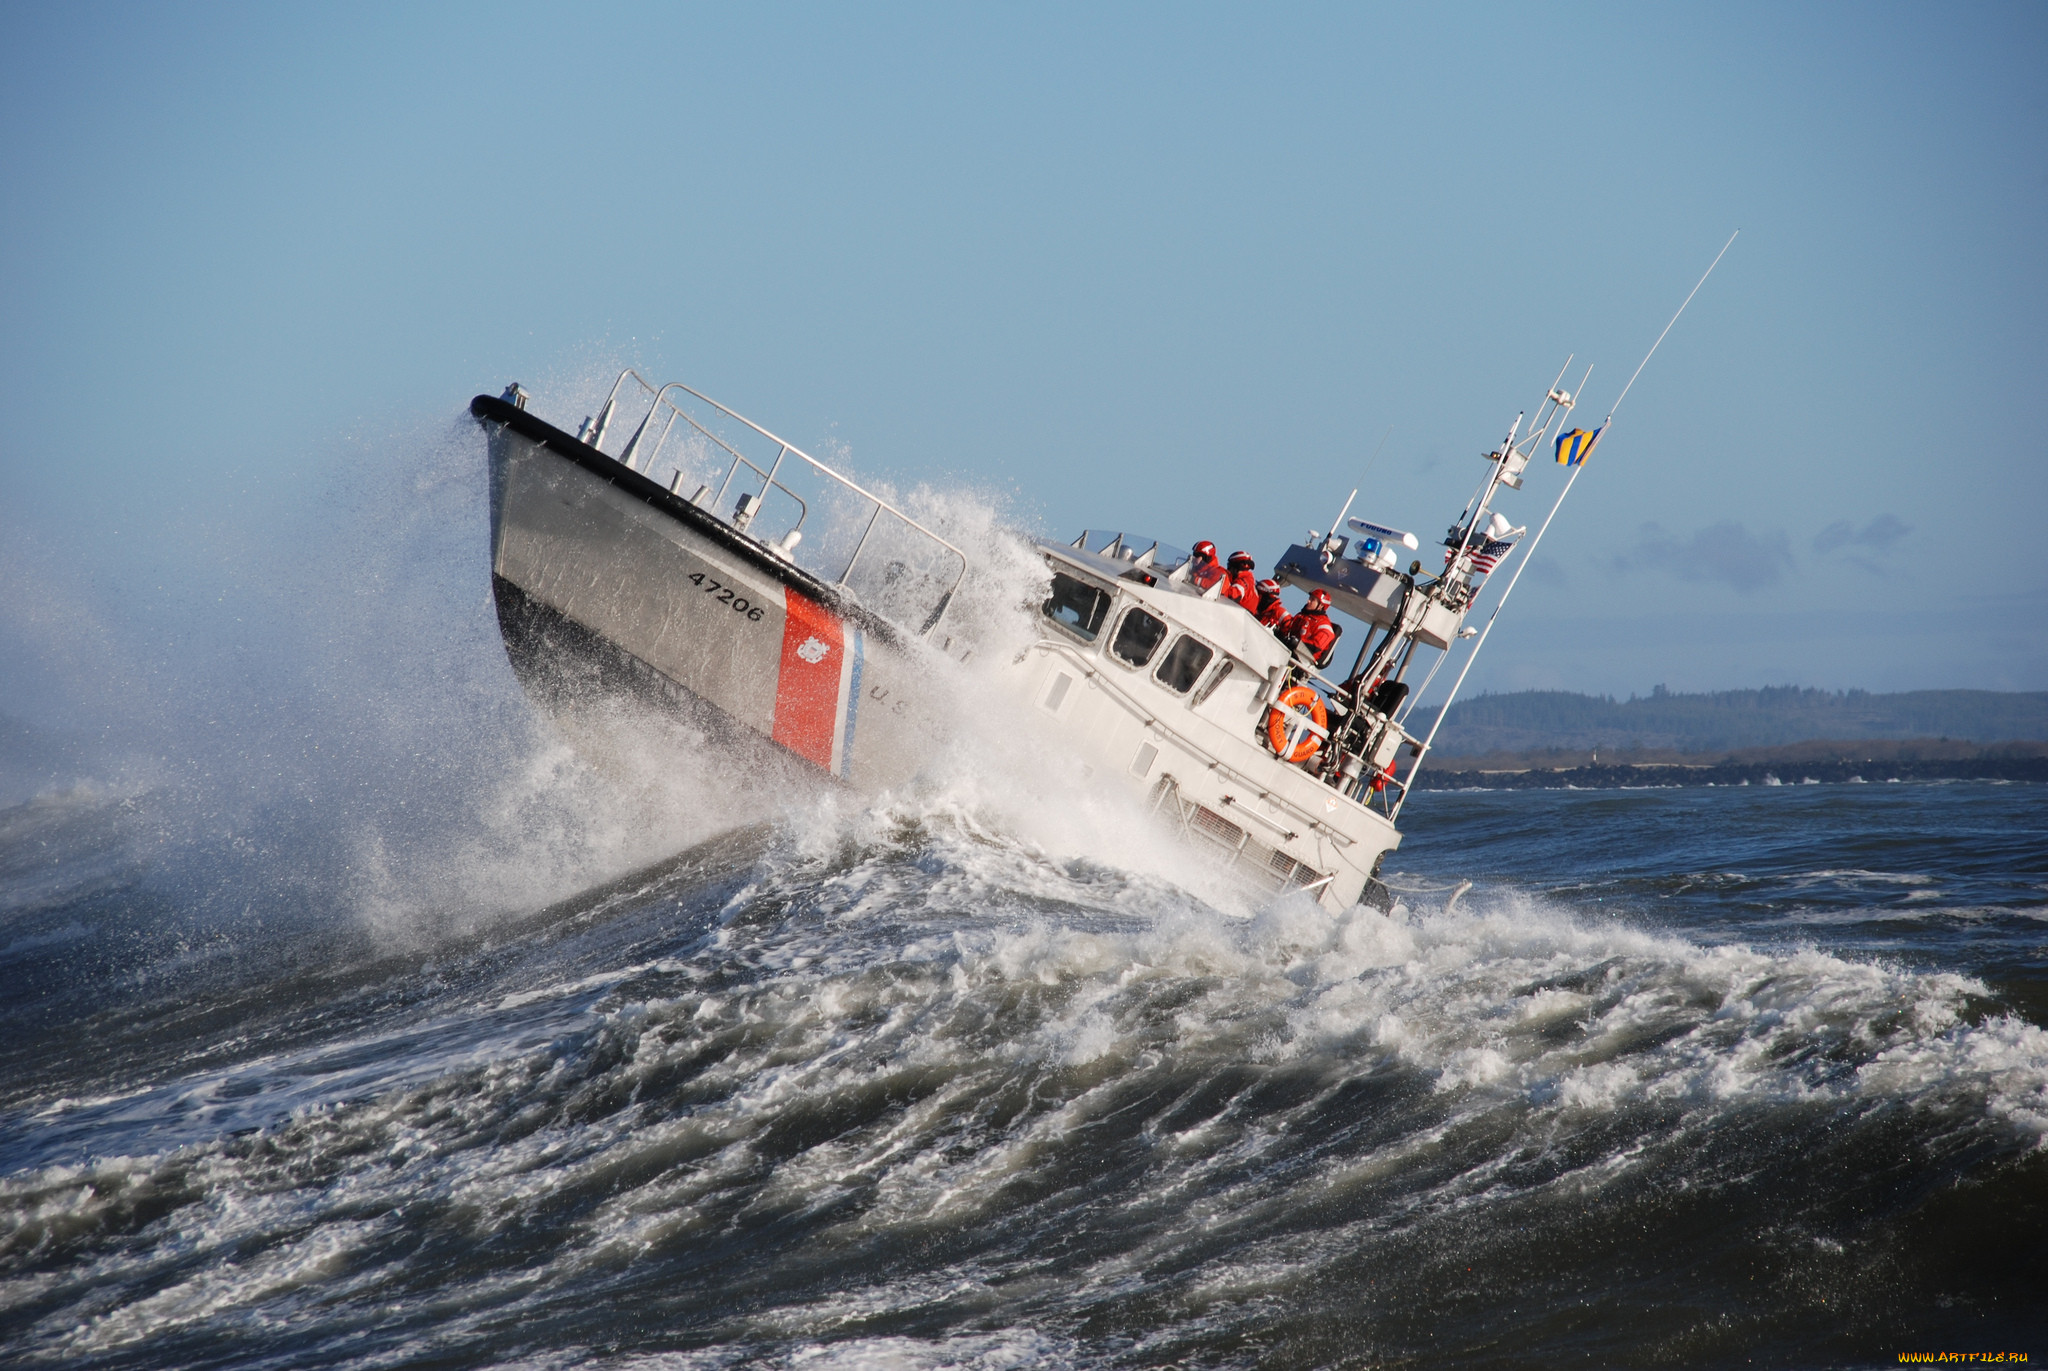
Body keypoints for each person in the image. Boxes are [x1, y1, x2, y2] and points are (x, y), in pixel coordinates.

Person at [1278, 588, 1340, 666]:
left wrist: (1297, 642)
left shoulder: (1325, 626)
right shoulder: (1301, 616)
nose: (1308, 601)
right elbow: (1290, 629)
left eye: (1312, 600)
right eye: (1309, 598)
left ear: (1321, 605)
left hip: (1301, 661)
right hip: (1286, 651)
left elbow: (1316, 647)